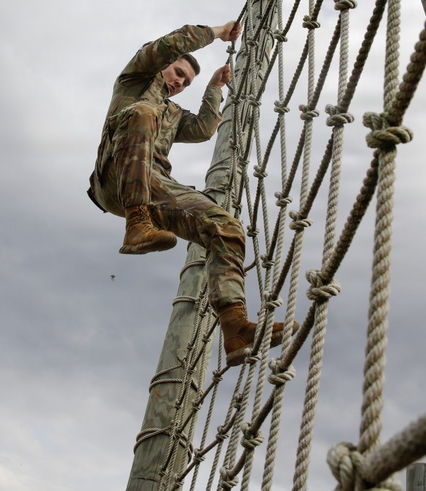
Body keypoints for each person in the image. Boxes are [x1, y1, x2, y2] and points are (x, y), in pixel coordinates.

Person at [87, 21, 296, 366]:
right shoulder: (134, 80)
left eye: (186, 82)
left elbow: (202, 129)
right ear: (163, 66)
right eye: (178, 73)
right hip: (115, 174)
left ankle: (235, 328)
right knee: (143, 113)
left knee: (226, 227)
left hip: (153, 184)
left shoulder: (172, 113)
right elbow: (172, 44)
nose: (180, 82)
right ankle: (136, 223)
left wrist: (213, 88)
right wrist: (219, 32)